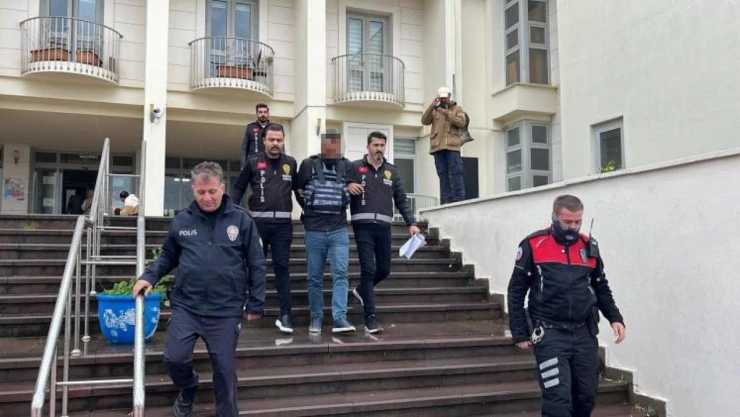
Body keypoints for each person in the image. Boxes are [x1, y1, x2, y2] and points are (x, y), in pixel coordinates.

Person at [132, 161, 266, 417]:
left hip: (225, 310)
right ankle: (188, 387)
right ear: (193, 189)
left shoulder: (241, 219)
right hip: (187, 306)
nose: (207, 198)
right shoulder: (182, 220)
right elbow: (168, 256)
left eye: (212, 191)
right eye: (201, 192)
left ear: (222, 188)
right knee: (174, 359)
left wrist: (256, 301)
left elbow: (256, 262)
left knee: (225, 371)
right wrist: (149, 277)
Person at [506, 194, 626, 417]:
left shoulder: (589, 246)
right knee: (558, 401)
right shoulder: (533, 244)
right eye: (567, 222)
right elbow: (516, 290)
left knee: (586, 398)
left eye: (578, 221)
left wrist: (615, 317)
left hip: (584, 332)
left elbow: (600, 286)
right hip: (549, 333)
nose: (573, 227)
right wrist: (519, 332)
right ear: (554, 217)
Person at [349, 131, 420, 333]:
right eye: (376, 145)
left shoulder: (392, 171)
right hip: (362, 226)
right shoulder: (355, 167)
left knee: (384, 269)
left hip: (384, 227)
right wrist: (348, 185)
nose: (379, 149)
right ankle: (370, 318)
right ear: (368, 147)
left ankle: (361, 289)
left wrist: (411, 223)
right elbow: (343, 188)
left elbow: (401, 199)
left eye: (382, 145)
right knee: (368, 269)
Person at [232, 123, 299, 334]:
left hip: (283, 226)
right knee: (252, 266)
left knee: (282, 268)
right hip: (258, 225)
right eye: (271, 140)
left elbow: (298, 189)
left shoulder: (291, 163)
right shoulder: (253, 162)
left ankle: (285, 315)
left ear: (283, 140)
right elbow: (238, 188)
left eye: (279, 140)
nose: (275, 143)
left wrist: (308, 209)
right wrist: (230, 214)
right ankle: (241, 309)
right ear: (263, 141)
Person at [295, 132, 363, 334]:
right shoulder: (308, 164)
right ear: (322, 146)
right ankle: (316, 317)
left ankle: (339, 318)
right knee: (314, 277)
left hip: (338, 229)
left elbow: (356, 190)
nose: (331, 149)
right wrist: (308, 209)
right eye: (328, 145)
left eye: (336, 145)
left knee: (341, 274)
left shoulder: (348, 166)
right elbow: (297, 189)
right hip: (314, 229)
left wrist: (349, 184)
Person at [421, 86, 467, 205]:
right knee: (442, 173)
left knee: (456, 171)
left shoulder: (457, 108)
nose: (443, 100)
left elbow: (462, 122)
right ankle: (447, 199)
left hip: (452, 146)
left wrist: (447, 114)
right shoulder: (434, 110)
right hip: (437, 146)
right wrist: (432, 106)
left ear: (449, 97)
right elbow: (424, 121)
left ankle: (459, 198)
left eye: (445, 98)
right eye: (441, 98)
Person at [240, 103, 271, 170]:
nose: (263, 114)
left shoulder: (273, 128)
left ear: (268, 113)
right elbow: (244, 148)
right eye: (260, 112)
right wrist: (243, 166)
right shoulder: (250, 128)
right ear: (257, 114)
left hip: (270, 163)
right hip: (253, 164)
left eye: (265, 112)